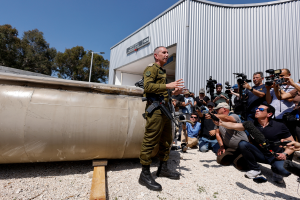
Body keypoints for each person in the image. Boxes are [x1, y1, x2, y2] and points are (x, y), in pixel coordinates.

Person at [139, 46, 184, 191]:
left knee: (166, 140)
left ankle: (162, 168)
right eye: (164, 52)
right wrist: (167, 85)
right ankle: (144, 174)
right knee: (150, 140)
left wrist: (173, 91)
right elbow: (147, 87)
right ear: (156, 56)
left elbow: (162, 92)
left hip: (164, 110)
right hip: (155, 110)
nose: (167, 54)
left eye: (167, 52)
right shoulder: (151, 68)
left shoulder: (162, 71)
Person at [219, 103, 295, 183]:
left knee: (285, 172)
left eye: (261, 109)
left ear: (269, 114)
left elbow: (292, 143)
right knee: (243, 144)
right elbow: (233, 126)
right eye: (257, 109)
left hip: (274, 156)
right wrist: (221, 123)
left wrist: (285, 154)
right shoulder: (251, 124)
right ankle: (255, 169)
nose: (257, 110)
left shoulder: (280, 126)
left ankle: (276, 171)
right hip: (259, 154)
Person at [206, 102, 249, 170]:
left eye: (218, 109)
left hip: (241, 147)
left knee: (241, 165)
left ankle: (238, 158)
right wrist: (221, 146)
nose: (216, 111)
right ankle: (234, 157)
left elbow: (227, 118)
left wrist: (213, 115)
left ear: (224, 109)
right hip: (230, 147)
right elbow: (217, 133)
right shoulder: (218, 121)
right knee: (221, 160)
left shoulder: (234, 116)